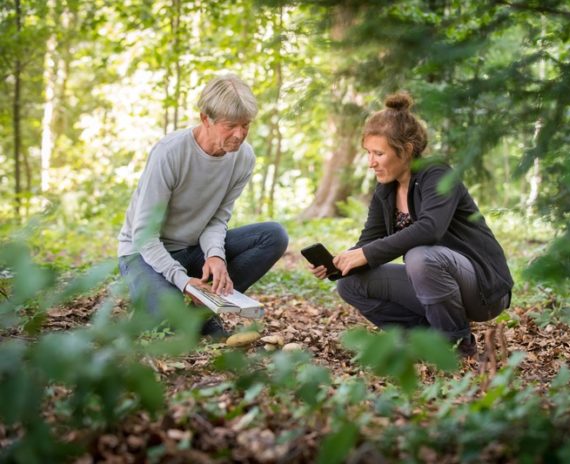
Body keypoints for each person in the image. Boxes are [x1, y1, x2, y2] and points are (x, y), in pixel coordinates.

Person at [310, 93, 513, 357]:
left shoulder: (437, 174)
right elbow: (369, 241)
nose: (371, 162)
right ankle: (426, 339)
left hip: (483, 290)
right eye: (368, 153)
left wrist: (366, 254)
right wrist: (342, 261)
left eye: (379, 153)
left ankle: (456, 343)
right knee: (350, 284)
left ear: (405, 150)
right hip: (435, 283)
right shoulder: (385, 190)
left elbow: (430, 228)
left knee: (420, 256)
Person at [118, 74, 288, 339]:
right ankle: (177, 308)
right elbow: (144, 235)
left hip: (191, 250)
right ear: (205, 119)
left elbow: (217, 219)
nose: (240, 134)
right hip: (142, 254)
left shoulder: (243, 158)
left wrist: (215, 255)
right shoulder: (170, 153)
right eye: (230, 125)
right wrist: (183, 281)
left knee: (273, 235)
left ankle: (202, 311)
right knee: (167, 323)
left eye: (246, 125)